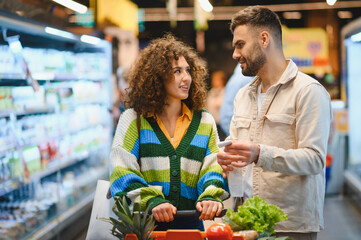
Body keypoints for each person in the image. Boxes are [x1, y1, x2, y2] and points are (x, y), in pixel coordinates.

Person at [217, 6, 331, 240]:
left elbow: (315, 159)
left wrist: (259, 154)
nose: (235, 54)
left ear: (264, 39)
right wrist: (227, 156)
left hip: (289, 226)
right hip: (245, 220)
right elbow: (239, 146)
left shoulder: (308, 92)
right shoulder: (243, 95)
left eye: (240, 44)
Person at [109, 34, 229, 231]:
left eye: (188, 70)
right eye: (177, 71)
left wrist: (210, 196)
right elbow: (121, 169)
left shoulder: (203, 121)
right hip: (146, 229)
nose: (186, 78)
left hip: (192, 228)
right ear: (157, 76)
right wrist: (152, 200)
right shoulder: (134, 120)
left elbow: (212, 166)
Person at [219, 63, 253, 136]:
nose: (235, 55)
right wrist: (237, 138)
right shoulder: (243, 79)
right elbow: (226, 116)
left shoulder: (243, 78)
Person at [205, 70, 227, 140]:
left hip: (221, 122)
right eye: (213, 80)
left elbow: (220, 103)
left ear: (222, 81)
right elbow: (208, 103)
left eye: (216, 80)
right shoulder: (212, 91)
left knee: (222, 138)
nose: (214, 82)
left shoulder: (224, 91)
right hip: (212, 121)